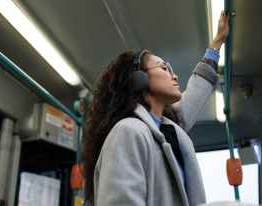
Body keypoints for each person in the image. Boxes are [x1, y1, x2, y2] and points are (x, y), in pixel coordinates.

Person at [83, 11, 229, 206]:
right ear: (139, 79)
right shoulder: (128, 132)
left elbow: (196, 93)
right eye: (163, 68)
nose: (174, 76)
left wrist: (217, 42)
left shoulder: (168, 130)